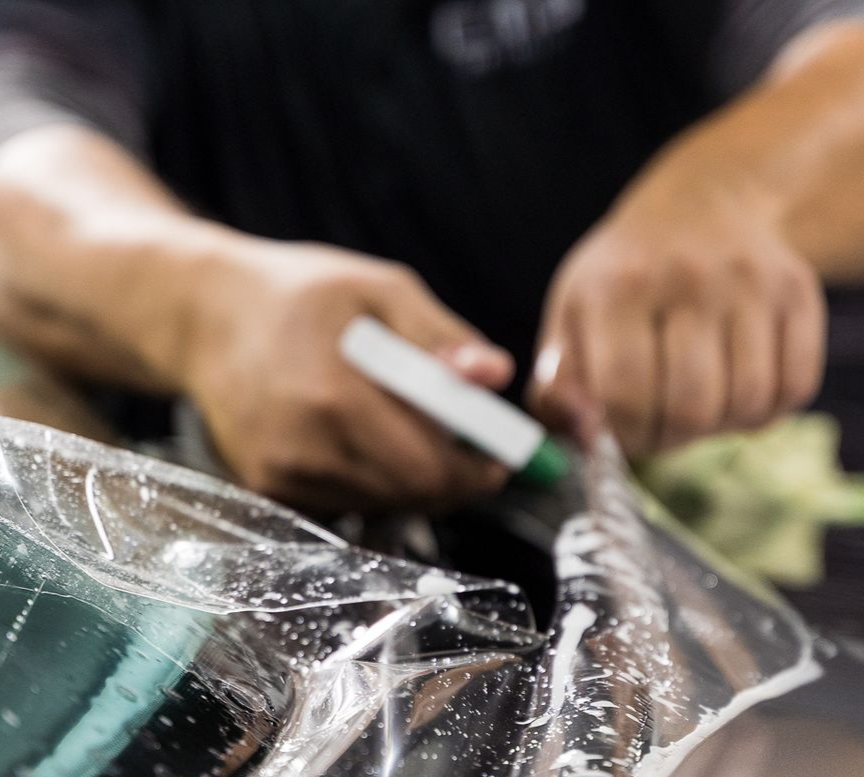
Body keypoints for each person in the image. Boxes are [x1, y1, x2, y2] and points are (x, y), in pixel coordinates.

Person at [0, 0, 861, 516]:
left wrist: (738, 195)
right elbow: (26, 158)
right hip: (341, 583)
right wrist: (200, 304)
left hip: (785, 504)